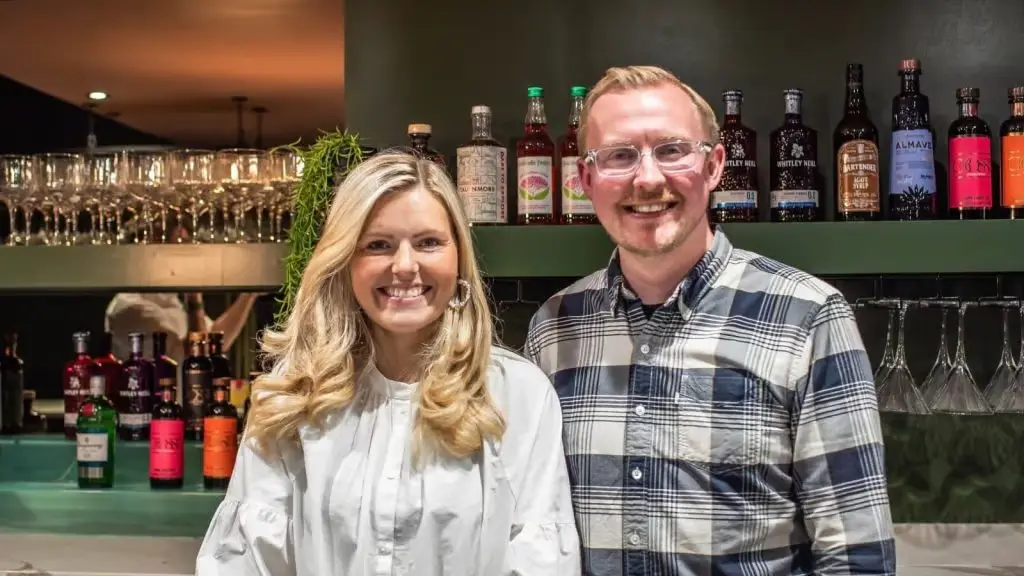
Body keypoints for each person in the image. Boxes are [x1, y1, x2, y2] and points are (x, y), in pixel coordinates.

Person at [524, 65, 896, 575]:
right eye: (619, 155)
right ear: (586, 179)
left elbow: (856, 559)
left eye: (672, 150)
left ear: (715, 165)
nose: (648, 178)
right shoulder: (554, 329)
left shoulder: (808, 317)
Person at [195, 151, 580, 575]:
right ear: (345, 263)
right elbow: (246, 560)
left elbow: (539, 561)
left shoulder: (516, 394)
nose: (404, 266)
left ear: (459, 259)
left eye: (428, 242)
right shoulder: (296, 392)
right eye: (378, 245)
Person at [103, 223, 261, 362]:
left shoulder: (169, 299)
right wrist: (194, 295)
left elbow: (216, 340)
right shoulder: (130, 307)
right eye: (181, 247)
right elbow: (197, 355)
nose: (191, 256)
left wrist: (249, 294)